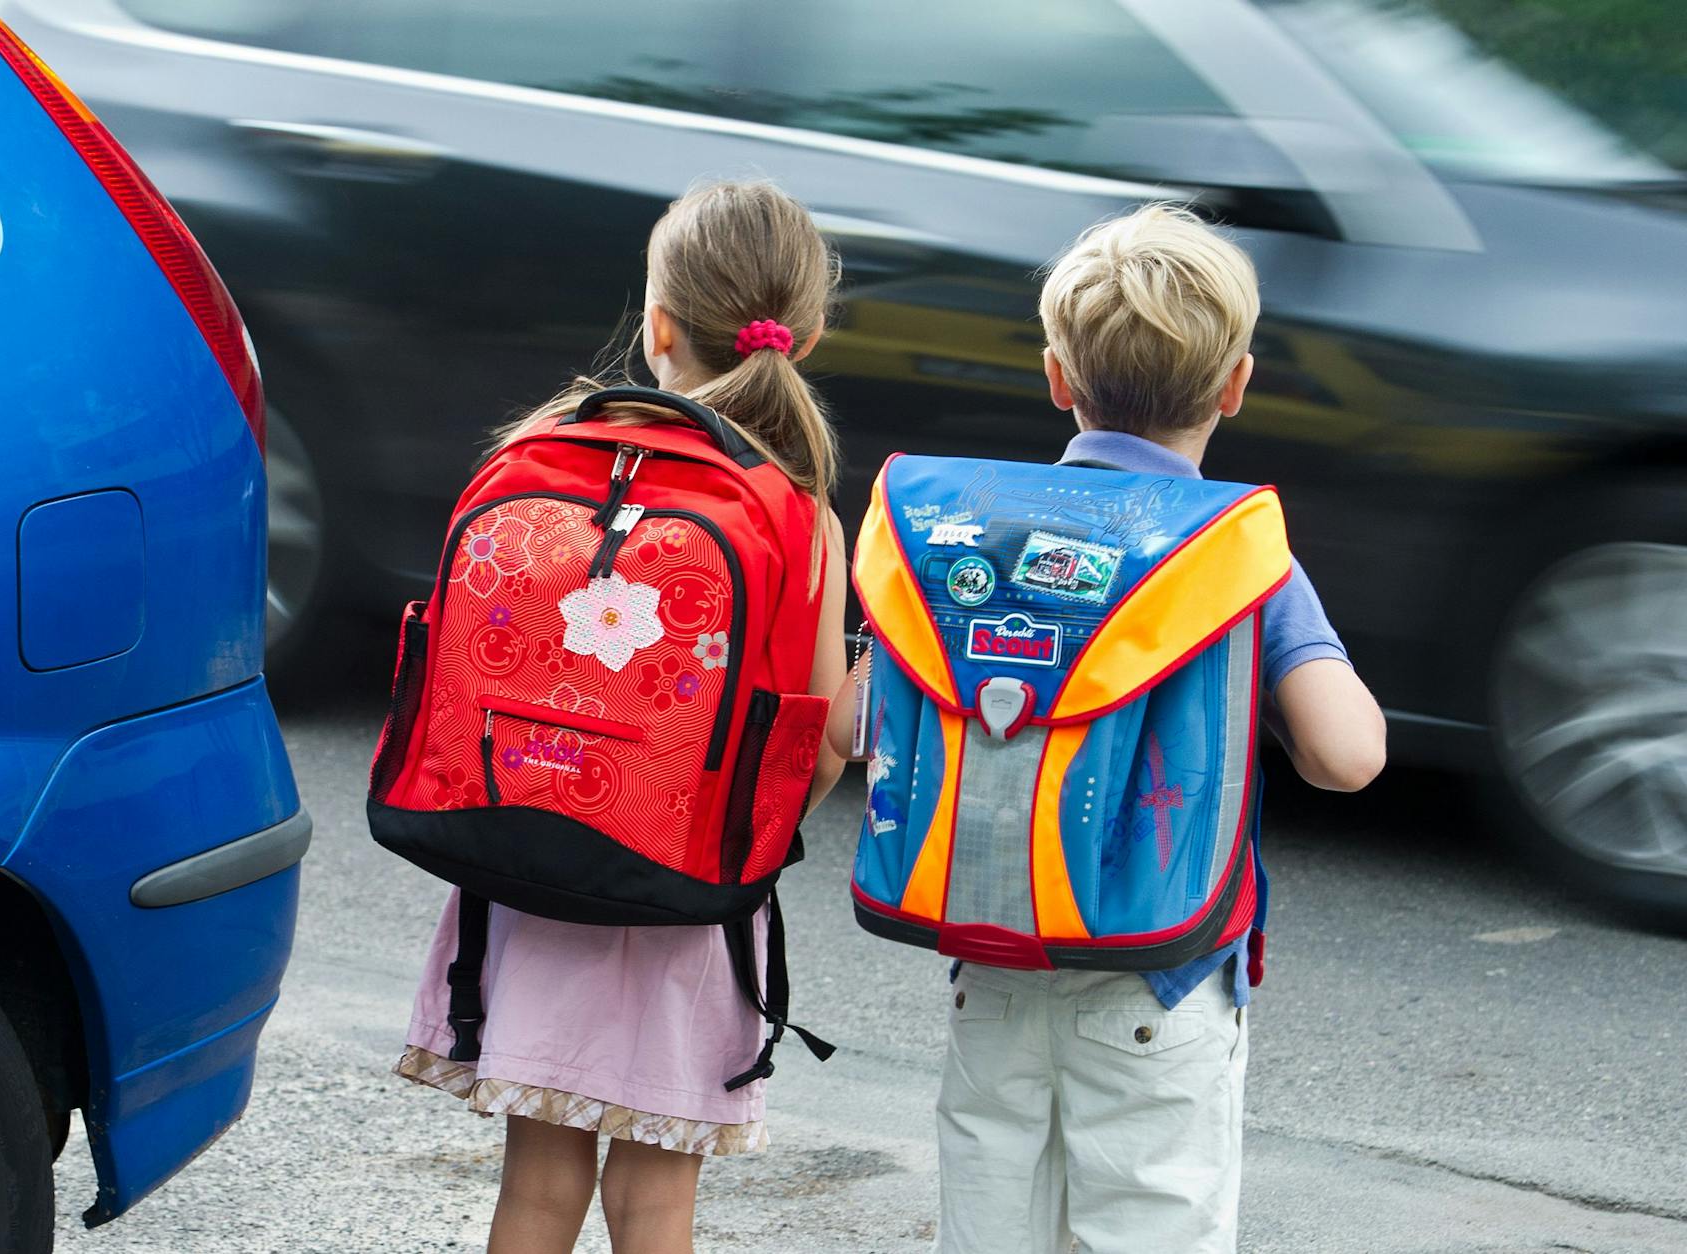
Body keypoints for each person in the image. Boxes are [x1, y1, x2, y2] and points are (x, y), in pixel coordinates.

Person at [830, 204, 1386, 1254]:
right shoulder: (1228, 554)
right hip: (1154, 980)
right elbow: (1346, 756)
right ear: (1234, 386)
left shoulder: (960, 533)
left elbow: (853, 721)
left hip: (990, 961)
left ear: (1054, 376)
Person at [396, 181, 849, 1254]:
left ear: (654, 329)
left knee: (536, 1190)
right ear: (808, 332)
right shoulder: (801, 514)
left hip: (525, 865)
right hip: (687, 892)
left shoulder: (552, 449)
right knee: (654, 1203)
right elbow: (821, 741)